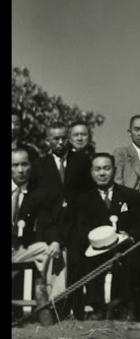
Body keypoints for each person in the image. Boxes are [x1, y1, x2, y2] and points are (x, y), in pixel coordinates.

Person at [75, 153, 140, 320]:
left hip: (124, 248)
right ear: (91, 172)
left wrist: (129, 235)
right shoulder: (83, 200)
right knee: (86, 260)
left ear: (114, 171)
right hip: (95, 250)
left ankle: (124, 308)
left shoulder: (130, 195)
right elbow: (80, 228)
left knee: (131, 258)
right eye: (97, 169)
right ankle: (97, 309)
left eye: (106, 168)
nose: (102, 173)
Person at [34, 121, 93, 319]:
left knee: (76, 266)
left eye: (63, 138)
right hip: (51, 223)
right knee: (54, 268)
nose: (60, 142)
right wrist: (52, 234)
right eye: (55, 139)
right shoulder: (40, 165)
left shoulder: (82, 161)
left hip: (76, 223)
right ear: (47, 140)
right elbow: (40, 202)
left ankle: (77, 314)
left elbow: (87, 194)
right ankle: (55, 312)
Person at [11, 148, 59, 325]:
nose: (21, 170)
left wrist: (55, 241)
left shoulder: (37, 193)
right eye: (15, 165)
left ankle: (44, 305)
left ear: (31, 166)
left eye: (24, 164)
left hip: (21, 249)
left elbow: (48, 222)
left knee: (47, 250)